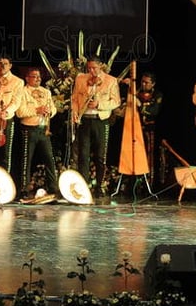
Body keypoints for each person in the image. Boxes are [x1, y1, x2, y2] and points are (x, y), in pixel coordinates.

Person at [71, 55, 121, 196]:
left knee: (100, 155)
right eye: (89, 68)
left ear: (101, 66)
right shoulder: (81, 78)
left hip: (100, 120)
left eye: (94, 68)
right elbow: (75, 98)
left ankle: (99, 186)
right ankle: (83, 186)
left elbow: (116, 101)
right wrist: (75, 112)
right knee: (83, 154)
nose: (91, 71)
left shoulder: (111, 80)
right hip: (84, 119)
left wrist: (100, 105)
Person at [14, 67, 59, 199]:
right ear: (27, 78)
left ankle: (53, 188)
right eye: (34, 76)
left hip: (43, 129)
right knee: (26, 160)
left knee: (50, 160)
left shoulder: (46, 92)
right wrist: (36, 110)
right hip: (29, 129)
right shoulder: (22, 91)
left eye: (39, 76)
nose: (38, 79)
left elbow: (54, 109)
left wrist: (49, 112)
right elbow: (20, 112)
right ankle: (24, 189)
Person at [121, 71, 164, 185]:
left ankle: (148, 182)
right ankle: (131, 181)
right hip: (134, 129)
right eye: (142, 82)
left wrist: (139, 104)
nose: (144, 84)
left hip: (149, 130)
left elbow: (154, 111)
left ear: (153, 84)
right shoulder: (136, 92)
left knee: (148, 155)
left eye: (147, 82)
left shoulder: (157, 95)